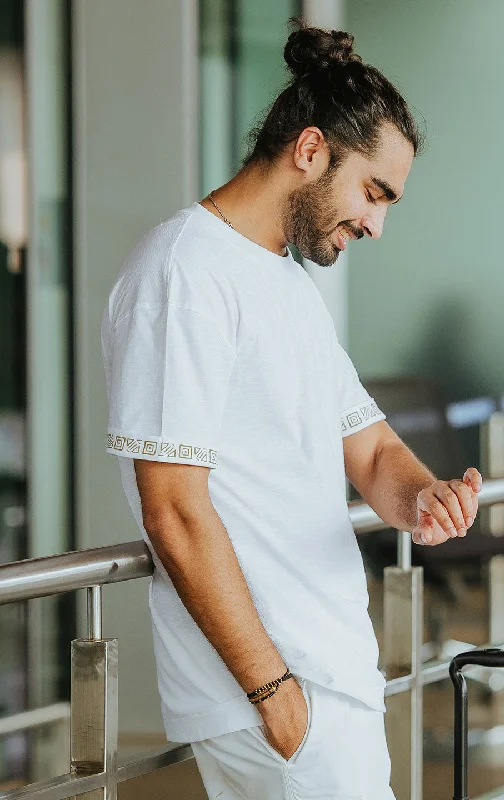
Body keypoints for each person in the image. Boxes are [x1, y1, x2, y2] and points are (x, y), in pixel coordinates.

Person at [101, 19, 482, 800]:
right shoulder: (184, 274)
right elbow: (171, 508)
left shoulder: (284, 285)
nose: (377, 222)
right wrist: (277, 699)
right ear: (310, 150)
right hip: (276, 701)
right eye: (374, 192)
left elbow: (369, 449)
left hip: (331, 678)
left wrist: (423, 496)